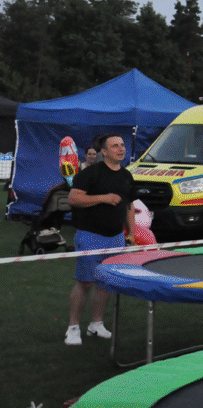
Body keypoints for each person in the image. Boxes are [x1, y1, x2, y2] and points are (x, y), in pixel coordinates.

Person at [66, 134, 135, 346]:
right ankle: (73, 327)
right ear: (104, 151)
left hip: (116, 238)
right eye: (115, 146)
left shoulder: (126, 176)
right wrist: (103, 198)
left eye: (122, 145)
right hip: (90, 236)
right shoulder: (91, 173)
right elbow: (74, 198)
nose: (121, 149)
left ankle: (96, 324)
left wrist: (130, 233)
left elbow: (129, 206)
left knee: (106, 283)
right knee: (85, 282)